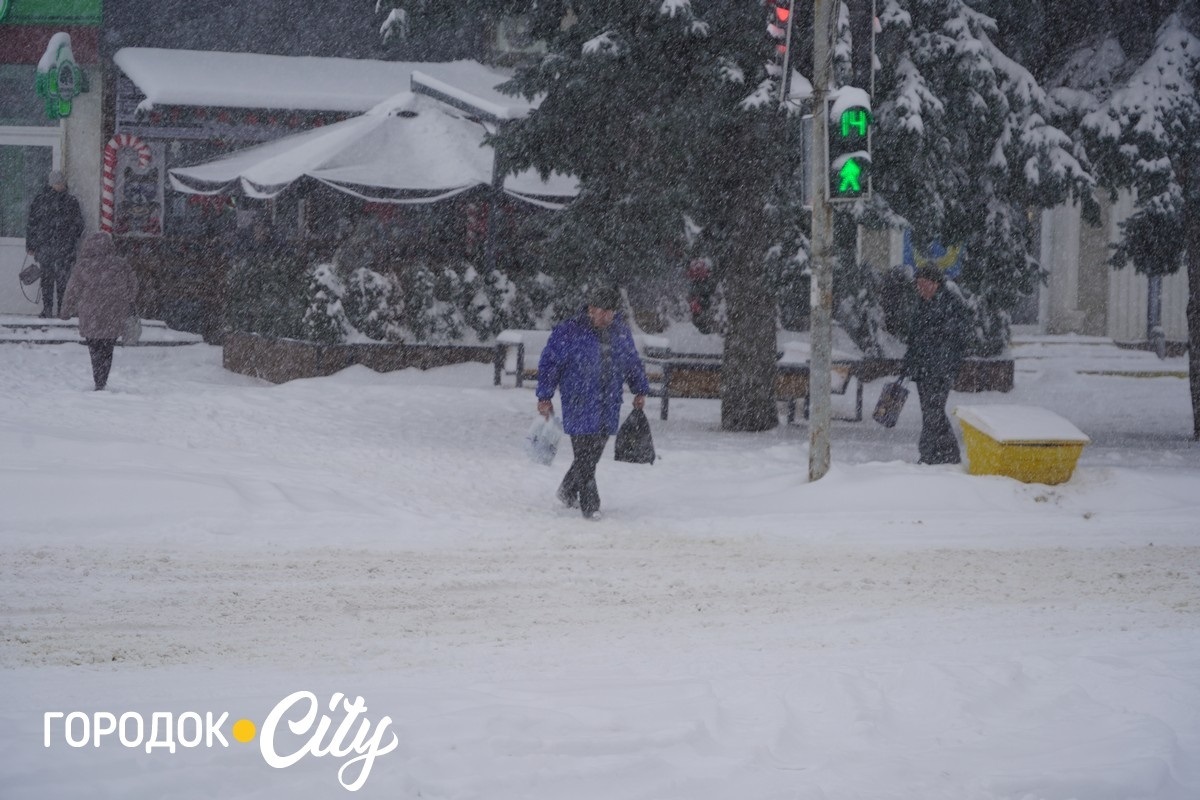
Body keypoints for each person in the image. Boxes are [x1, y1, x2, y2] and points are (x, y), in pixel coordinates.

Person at [536, 285, 651, 520]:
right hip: (578, 401)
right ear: (590, 309)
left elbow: (631, 362)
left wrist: (639, 390)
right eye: (602, 311)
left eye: (610, 312)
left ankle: (567, 490)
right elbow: (550, 364)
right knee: (584, 455)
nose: (606, 316)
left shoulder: (620, 332)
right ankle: (591, 506)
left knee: (592, 454)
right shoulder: (569, 331)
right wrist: (544, 396)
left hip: (609, 402)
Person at [903, 265, 972, 465]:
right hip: (923, 369)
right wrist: (909, 361)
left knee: (933, 411)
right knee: (931, 412)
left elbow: (959, 337)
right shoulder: (921, 304)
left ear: (935, 283)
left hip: (941, 369)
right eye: (918, 284)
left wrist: (945, 360)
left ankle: (928, 455)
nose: (920, 288)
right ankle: (948, 453)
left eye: (924, 283)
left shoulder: (950, 303)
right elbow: (915, 337)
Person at [60, 233, 139, 391]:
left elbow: (72, 290)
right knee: (108, 349)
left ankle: (98, 380)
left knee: (94, 349)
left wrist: (66, 310)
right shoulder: (120, 264)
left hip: (91, 315)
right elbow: (133, 286)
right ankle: (103, 379)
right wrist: (125, 299)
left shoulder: (83, 266)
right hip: (113, 314)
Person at [26, 169, 85, 318]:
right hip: (48, 248)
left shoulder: (70, 201)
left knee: (62, 281)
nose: (60, 185)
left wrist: (70, 236)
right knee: (47, 280)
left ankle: (61, 310)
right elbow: (32, 224)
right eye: (58, 182)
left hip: (62, 249)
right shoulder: (41, 201)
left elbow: (79, 225)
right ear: (51, 184)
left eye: (61, 182)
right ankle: (48, 309)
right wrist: (31, 245)